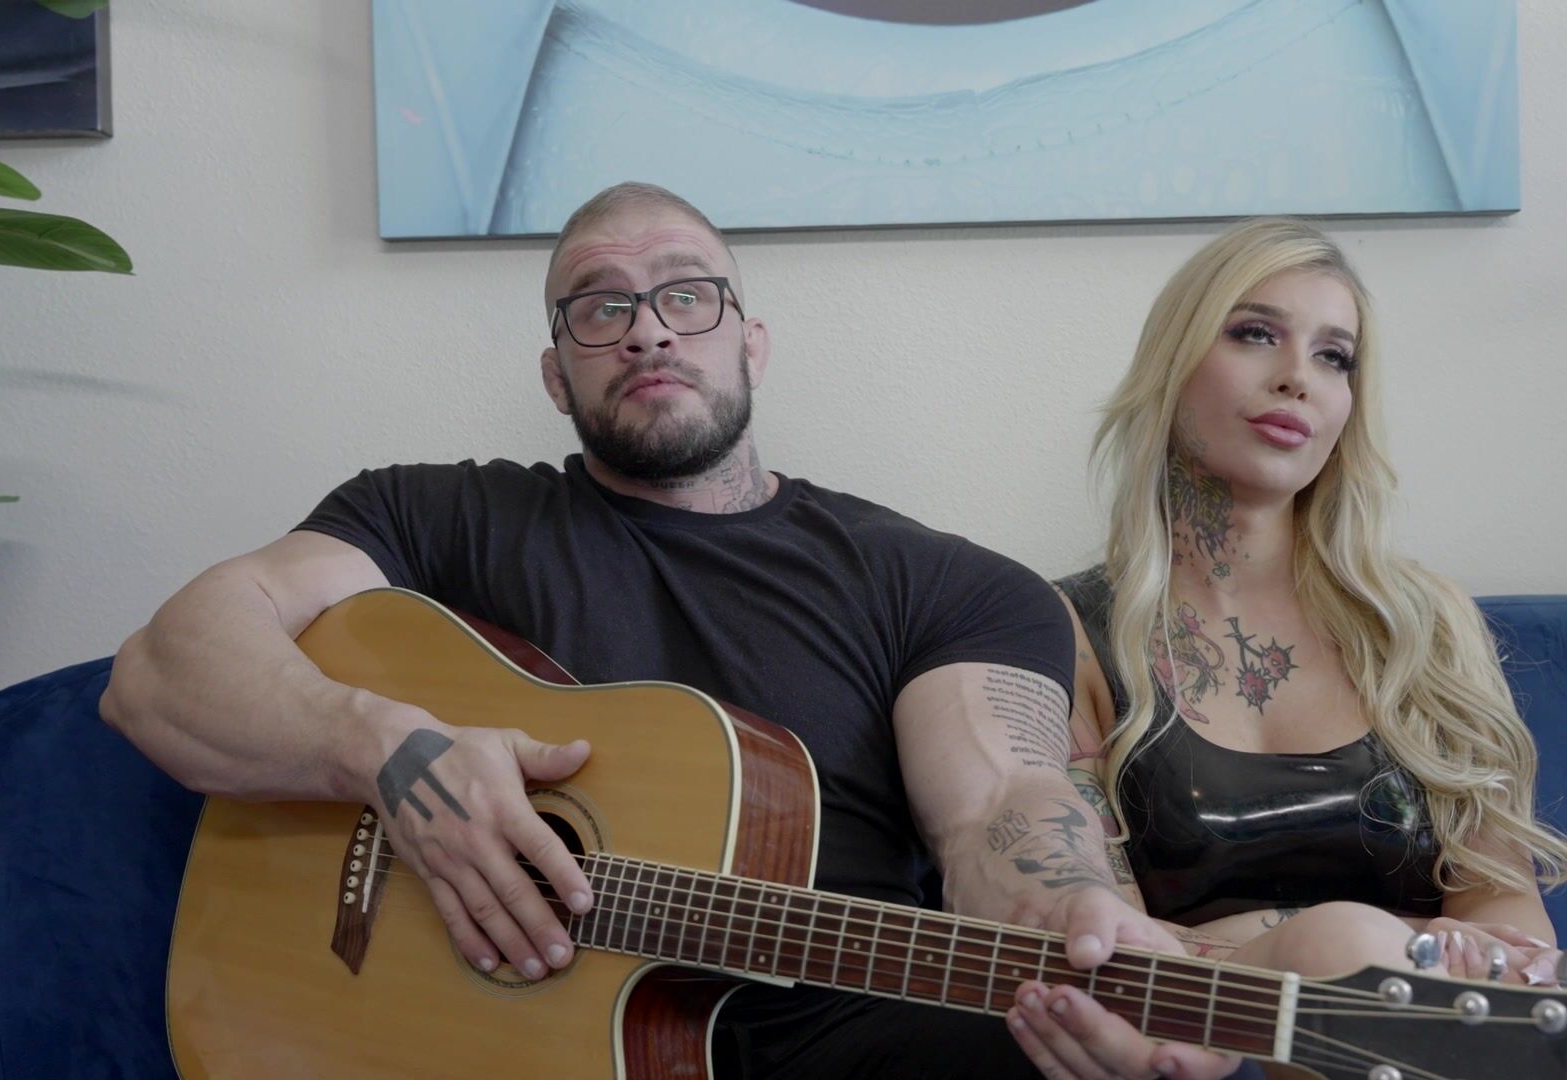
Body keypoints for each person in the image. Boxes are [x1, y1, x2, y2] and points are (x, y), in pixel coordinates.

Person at [99, 182, 1243, 1080]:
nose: (648, 331)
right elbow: (158, 670)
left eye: (688, 297)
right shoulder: (430, 517)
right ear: (557, 376)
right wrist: (387, 753)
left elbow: (998, 802)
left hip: (840, 1039)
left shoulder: (944, 584)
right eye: (601, 307)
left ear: (753, 343)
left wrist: (1075, 909)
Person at [1009, 218, 1567, 1075]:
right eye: (1256, 334)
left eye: (1334, 356)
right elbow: (1114, 947)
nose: (1298, 378)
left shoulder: (1422, 623)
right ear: (1173, 363)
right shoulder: (1065, 633)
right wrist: (1330, 944)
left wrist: (1349, 946)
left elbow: (1507, 914)